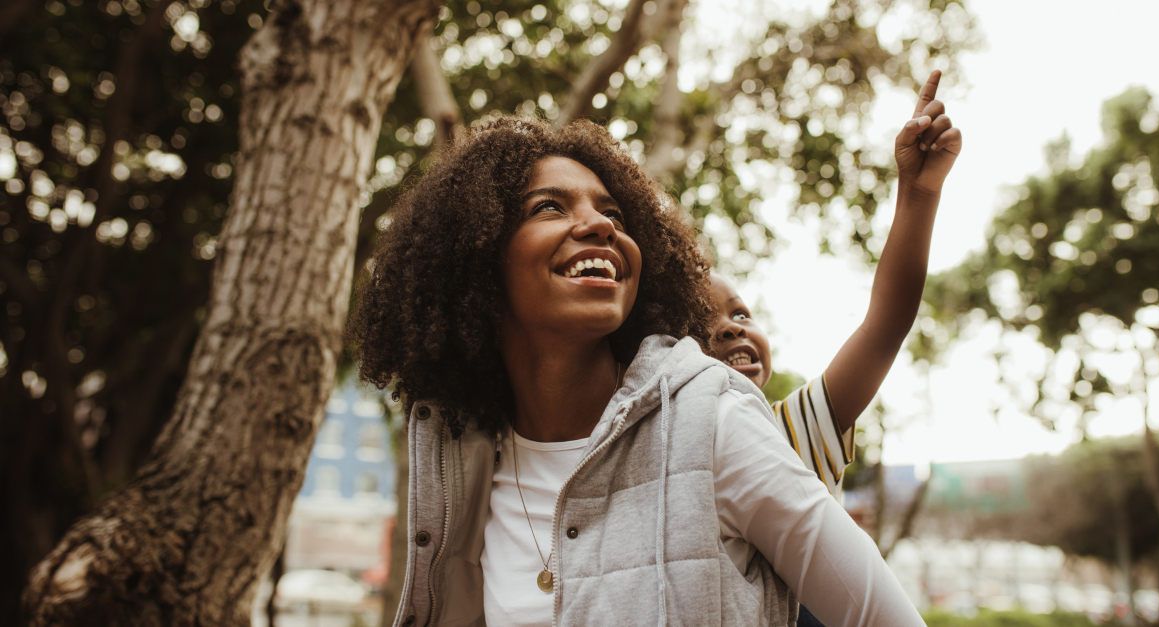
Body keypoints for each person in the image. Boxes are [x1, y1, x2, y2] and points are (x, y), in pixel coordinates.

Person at [348, 112, 941, 627]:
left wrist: (918, 195)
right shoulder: (464, 457)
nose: (602, 224)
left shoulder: (713, 418)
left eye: (614, 214)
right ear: (475, 260)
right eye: (549, 207)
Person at [711, 70, 960, 627]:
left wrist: (919, 195)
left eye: (741, 314)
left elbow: (884, 327)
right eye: (700, 325)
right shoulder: (650, 456)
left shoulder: (785, 434)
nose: (731, 329)